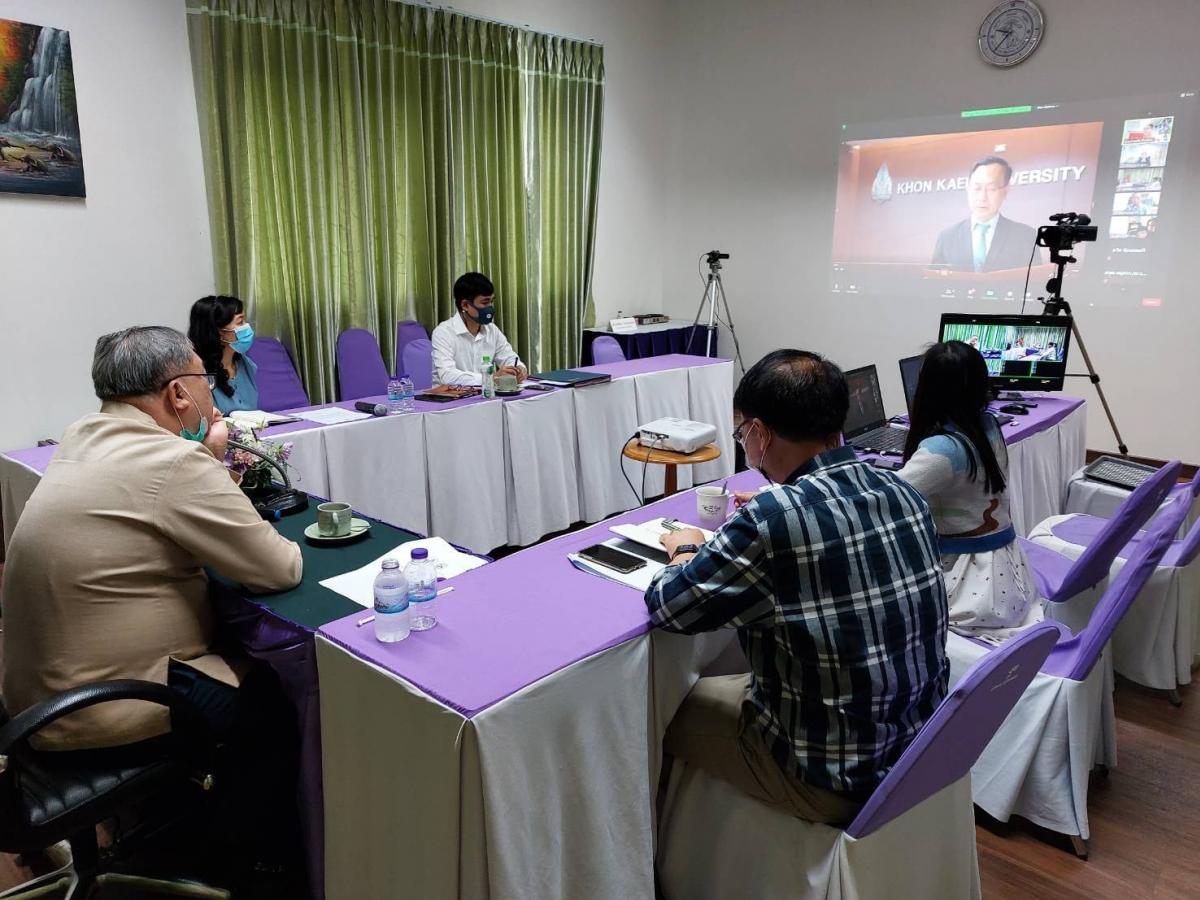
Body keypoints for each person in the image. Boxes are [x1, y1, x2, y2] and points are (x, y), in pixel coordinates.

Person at [646, 350, 949, 824]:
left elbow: (672, 608)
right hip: (915, 748)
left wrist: (684, 548)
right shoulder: (902, 492)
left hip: (826, 774)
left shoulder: (773, 520)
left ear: (760, 434)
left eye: (741, 433)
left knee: (652, 715)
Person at [1, 325, 303, 750]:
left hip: (32, 699)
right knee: (274, 697)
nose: (211, 396)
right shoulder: (173, 459)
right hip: (108, 706)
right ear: (178, 394)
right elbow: (280, 569)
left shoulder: (81, 437)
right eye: (205, 381)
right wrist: (211, 458)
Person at [897, 341, 1041, 641]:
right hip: (1006, 568)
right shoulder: (988, 425)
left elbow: (890, 497)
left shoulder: (942, 450)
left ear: (925, 389)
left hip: (968, 583)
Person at [931, 156, 1041, 272]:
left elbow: (1033, 283)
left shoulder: (1026, 236)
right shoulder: (947, 237)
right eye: (977, 188)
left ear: (1005, 191)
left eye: (991, 189)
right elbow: (933, 282)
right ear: (968, 189)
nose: (982, 197)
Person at [431, 272, 526, 387]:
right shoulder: (443, 332)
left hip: (486, 396)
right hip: (451, 401)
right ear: (465, 305)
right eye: (485, 302)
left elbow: (509, 357)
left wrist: (519, 369)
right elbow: (447, 376)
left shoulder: (492, 330)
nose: (490, 307)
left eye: (491, 301)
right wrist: (491, 378)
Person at [188, 294, 258, 414]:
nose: (247, 326)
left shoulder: (246, 365)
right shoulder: (197, 375)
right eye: (240, 322)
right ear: (219, 332)